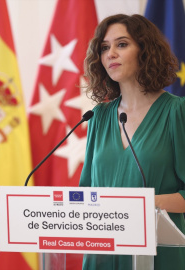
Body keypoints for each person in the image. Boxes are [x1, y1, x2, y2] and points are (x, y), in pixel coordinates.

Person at [80, 14, 185, 270]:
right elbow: (86, 192)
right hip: (102, 252)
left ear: (145, 51)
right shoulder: (98, 117)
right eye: (105, 48)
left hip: (158, 253)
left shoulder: (176, 112)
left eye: (122, 44)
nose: (111, 54)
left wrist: (141, 205)